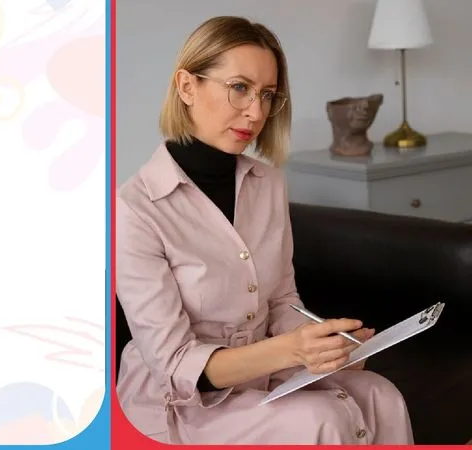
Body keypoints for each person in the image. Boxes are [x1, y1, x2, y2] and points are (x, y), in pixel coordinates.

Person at [115, 16, 414, 445]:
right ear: (187, 86)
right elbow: (175, 365)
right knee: (321, 419)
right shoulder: (134, 209)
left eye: (268, 95)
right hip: (180, 403)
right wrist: (292, 349)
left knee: (383, 397)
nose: (255, 113)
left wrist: (328, 343)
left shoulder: (268, 183)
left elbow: (281, 301)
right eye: (239, 87)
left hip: (264, 373)